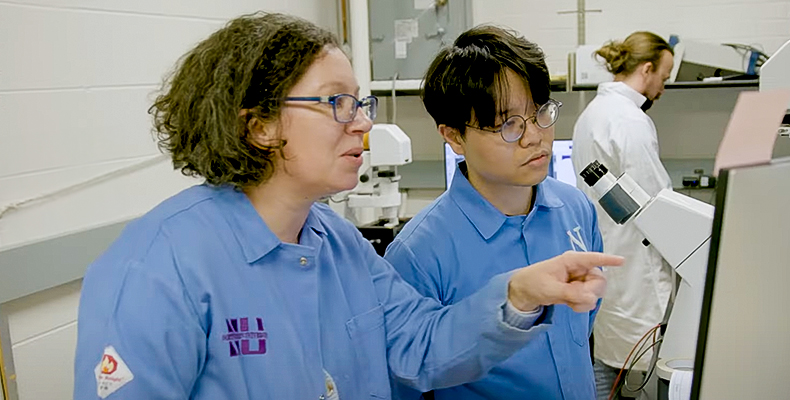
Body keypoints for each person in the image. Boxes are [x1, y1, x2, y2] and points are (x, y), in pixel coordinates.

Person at [72, 13, 622, 400]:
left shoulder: (336, 245)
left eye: (360, 102)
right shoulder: (158, 269)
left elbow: (423, 347)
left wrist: (518, 295)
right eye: (337, 102)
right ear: (259, 123)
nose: (362, 122)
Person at [384, 26, 603, 400]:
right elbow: (406, 382)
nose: (534, 136)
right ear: (453, 136)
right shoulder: (418, 254)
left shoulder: (575, 209)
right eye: (507, 125)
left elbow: (582, 331)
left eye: (539, 113)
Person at [571, 31, 675, 399]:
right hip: (637, 273)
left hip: (611, 265)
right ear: (647, 70)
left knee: (608, 371)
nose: (663, 88)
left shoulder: (592, 114)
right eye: (663, 77)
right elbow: (658, 205)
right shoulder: (629, 120)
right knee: (642, 376)